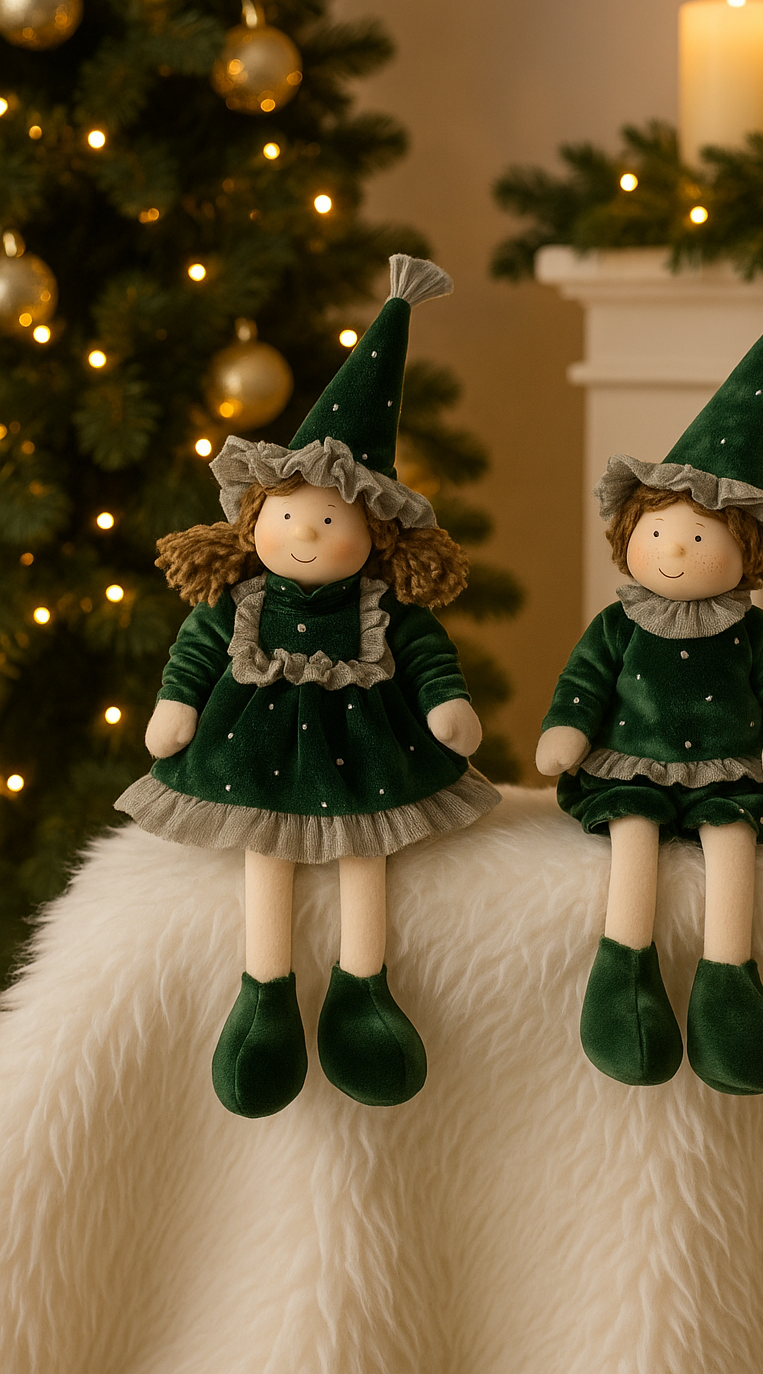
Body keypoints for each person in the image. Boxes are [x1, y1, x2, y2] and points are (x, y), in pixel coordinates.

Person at [116, 256, 499, 1117]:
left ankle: (364, 993)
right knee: (269, 858)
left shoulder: (382, 607)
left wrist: (447, 704)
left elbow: (429, 655)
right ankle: (264, 998)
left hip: (365, 751)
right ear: (256, 518)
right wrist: (175, 706)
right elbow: (195, 651)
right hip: (248, 753)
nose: (305, 532)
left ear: (375, 533)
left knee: (366, 854)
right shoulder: (241, 598)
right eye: (288, 516)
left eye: (329, 519)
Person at [537, 320, 763, 1095]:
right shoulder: (620, 624)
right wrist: (566, 730)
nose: (675, 548)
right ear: (631, 532)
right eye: (658, 529)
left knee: (732, 840)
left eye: (700, 534)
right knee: (634, 833)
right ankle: (623, 976)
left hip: (728, 770)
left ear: (747, 551)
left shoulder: (753, 633)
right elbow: (585, 682)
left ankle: (729, 987)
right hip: (632, 764)